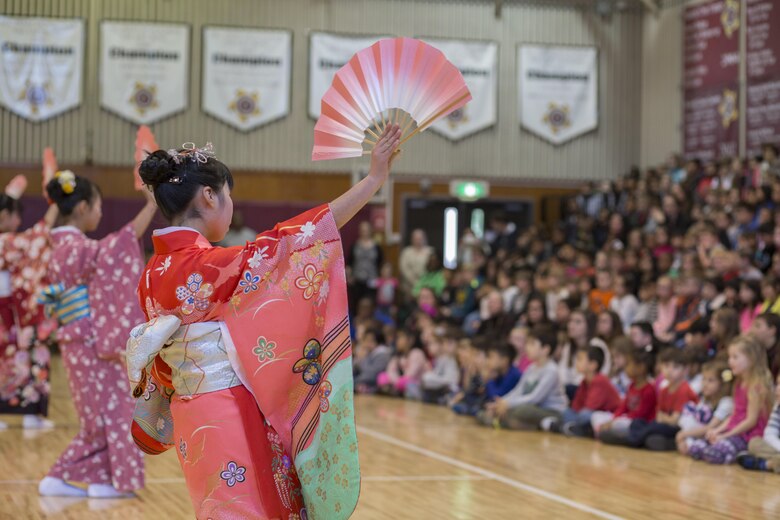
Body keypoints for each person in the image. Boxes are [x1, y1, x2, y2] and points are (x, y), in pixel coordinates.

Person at [126, 126, 402, 519]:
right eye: (228, 194)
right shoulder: (207, 266)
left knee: (222, 508)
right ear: (209, 195)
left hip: (191, 410)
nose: (230, 204)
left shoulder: (152, 273)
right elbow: (296, 241)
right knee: (257, 507)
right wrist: (373, 180)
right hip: (227, 406)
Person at [39, 169, 156, 498]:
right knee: (116, 410)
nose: (100, 213)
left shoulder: (55, 247)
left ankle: (99, 479)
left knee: (100, 416)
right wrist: (149, 206)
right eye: (98, 206)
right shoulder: (75, 248)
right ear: (81, 208)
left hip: (77, 338)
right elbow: (119, 245)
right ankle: (84, 477)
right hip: (89, 339)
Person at [0, 174, 58, 430]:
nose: (18, 221)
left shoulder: (12, 242)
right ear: (6, 215)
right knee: (26, 355)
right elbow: (41, 231)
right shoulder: (12, 242)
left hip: (16, 310)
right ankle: (29, 415)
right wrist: (58, 198)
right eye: (14, 214)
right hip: (11, 311)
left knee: (31, 355)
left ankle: (31, 413)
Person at [687, 336, 773, 465]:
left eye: (735, 357)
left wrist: (725, 436)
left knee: (713, 454)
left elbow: (751, 421)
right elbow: (734, 415)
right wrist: (717, 431)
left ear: (751, 358)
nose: (730, 361)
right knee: (695, 448)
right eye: (729, 357)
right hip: (734, 430)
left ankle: (740, 452)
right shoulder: (738, 383)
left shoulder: (756, 386)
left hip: (748, 434)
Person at [477, 325, 566, 430]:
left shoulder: (551, 371)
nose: (527, 347)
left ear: (545, 349)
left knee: (521, 411)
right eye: (527, 343)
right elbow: (518, 390)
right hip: (532, 407)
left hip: (550, 411)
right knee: (490, 411)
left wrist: (508, 404)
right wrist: (501, 402)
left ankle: (505, 421)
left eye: (532, 344)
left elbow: (535, 398)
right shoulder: (531, 368)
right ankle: (515, 423)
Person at [627, 348, 699, 450]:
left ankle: (633, 439)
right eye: (666, 366)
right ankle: (638, 438)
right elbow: (658, 415)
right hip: (665, 424)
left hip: (680, 428)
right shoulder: (664, 389)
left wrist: (663, 418)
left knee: (654, 429)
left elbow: (675, 420)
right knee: (637, 422)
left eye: (675, 367)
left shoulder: (684, 389)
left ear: (685, 370)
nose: (669, 371)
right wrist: (664, 418)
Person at [549, 347, 620, 437]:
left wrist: (577, 413)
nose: (576, 362)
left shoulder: (600, 381)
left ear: (593, 365)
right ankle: (572, 428)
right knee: (567, 412)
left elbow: (590, 407)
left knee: (585, 415)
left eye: (580, 359)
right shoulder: (585, 381)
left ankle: (571, 428)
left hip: (607, 416)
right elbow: (576, 405)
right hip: (588, 414)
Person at [592, 348, 657, 445]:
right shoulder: (631, 386)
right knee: (596, 415)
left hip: (636, 423)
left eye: (628, 365)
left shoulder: (649, 390)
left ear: (641, 368)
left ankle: (608, 433)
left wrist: (616, 421)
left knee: (620, 424)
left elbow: (640, 415)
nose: (626, 369)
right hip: (625, 419)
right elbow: (623, 407)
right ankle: (603, 432)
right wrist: (613, 419)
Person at [676, 361, 734, 454]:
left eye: (710, 380)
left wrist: (683, 434)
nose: (705, 384)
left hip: (716, 437)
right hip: (700, 434)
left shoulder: (726, 402)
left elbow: (710, 427)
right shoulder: (705, 400)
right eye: (704, 379)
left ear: (722, 384)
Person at [558, 310, 611, 400]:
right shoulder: (568, 346)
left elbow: (600, 375)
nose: (571, 326)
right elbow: (562, 371)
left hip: (591, 390)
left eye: (577, 322)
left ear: (589, 325)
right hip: (569, 389)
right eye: (570, 321)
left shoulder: (597, 345)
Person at [738, 373, 780, 473]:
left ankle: (765, 465)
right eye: (777, 384)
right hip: (777, 448)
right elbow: (769, 433)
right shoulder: (777, 406)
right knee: (754, 443)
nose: (777, 389)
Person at [377, 329, 428, 398]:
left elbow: (411, 374)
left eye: (401, 338)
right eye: (397, 338)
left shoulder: (417, 353)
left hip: (416, 384)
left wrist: (399, 381)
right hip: (399, 382)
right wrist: (396, 381)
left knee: (407, 383)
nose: (398, 341)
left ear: (410, 340)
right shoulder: (398, 356)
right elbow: (390, 370)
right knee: (382, 376)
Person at [348, 220, 383, 311]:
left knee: (370, 304)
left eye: (366, 230)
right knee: (356, 305)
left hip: (372, 279)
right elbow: (349, 262)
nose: (365, 232)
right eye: (363, 230)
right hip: (357, 280)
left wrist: (380, 278)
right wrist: (349, 277)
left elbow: (380, 263)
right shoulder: (354, 245)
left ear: (370, 231)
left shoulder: (376, 247)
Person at [353, 328, 392, 394]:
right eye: (365, 340)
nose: (366, 343)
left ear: (378, 341)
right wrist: (357, 359)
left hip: (374, 389)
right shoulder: (368, 353)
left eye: (370, 340)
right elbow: (352, 371)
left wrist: (362, 359)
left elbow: (372, 376)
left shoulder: (383, 354)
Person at [399, 229, 432, 299]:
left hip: (427, 287)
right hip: (409, 288)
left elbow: (433, 268)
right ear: (412, 239)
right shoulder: (406, 252)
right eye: (416, 239)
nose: (418, 241)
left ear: (424, 239)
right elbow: (404, 269)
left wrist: (423, 283)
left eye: (420, 238)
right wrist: (416, 283)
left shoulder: (430, 252)